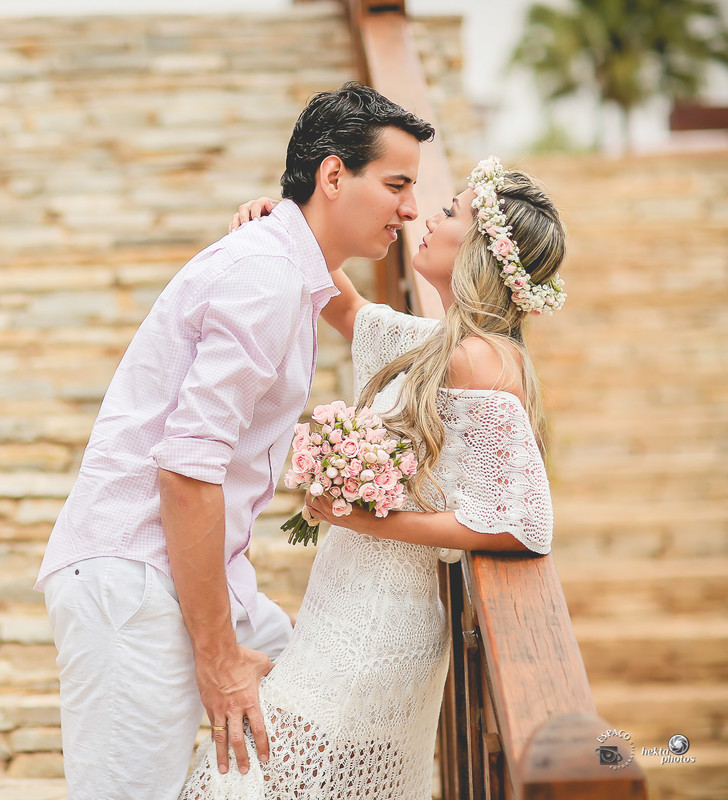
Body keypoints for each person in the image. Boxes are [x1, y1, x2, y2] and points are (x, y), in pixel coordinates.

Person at [33, 82, 435, 800]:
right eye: (398, 184)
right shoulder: (267, 277)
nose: (411, 208)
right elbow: (187, 471)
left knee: (319, 702)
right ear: (334, 176)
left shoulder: (287, 266)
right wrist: (217, 659)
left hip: (207, 578)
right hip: (135, 577)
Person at [178, 157, 565, 799]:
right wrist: (287, 227)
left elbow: (521, 524)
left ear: (477, 254)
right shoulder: (439, 346)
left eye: (450, 214)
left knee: (250, 777)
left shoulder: (481, 362)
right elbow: (349, 308)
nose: (428, 218)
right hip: (344, 609)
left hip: (380, 631)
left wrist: (361, 515)